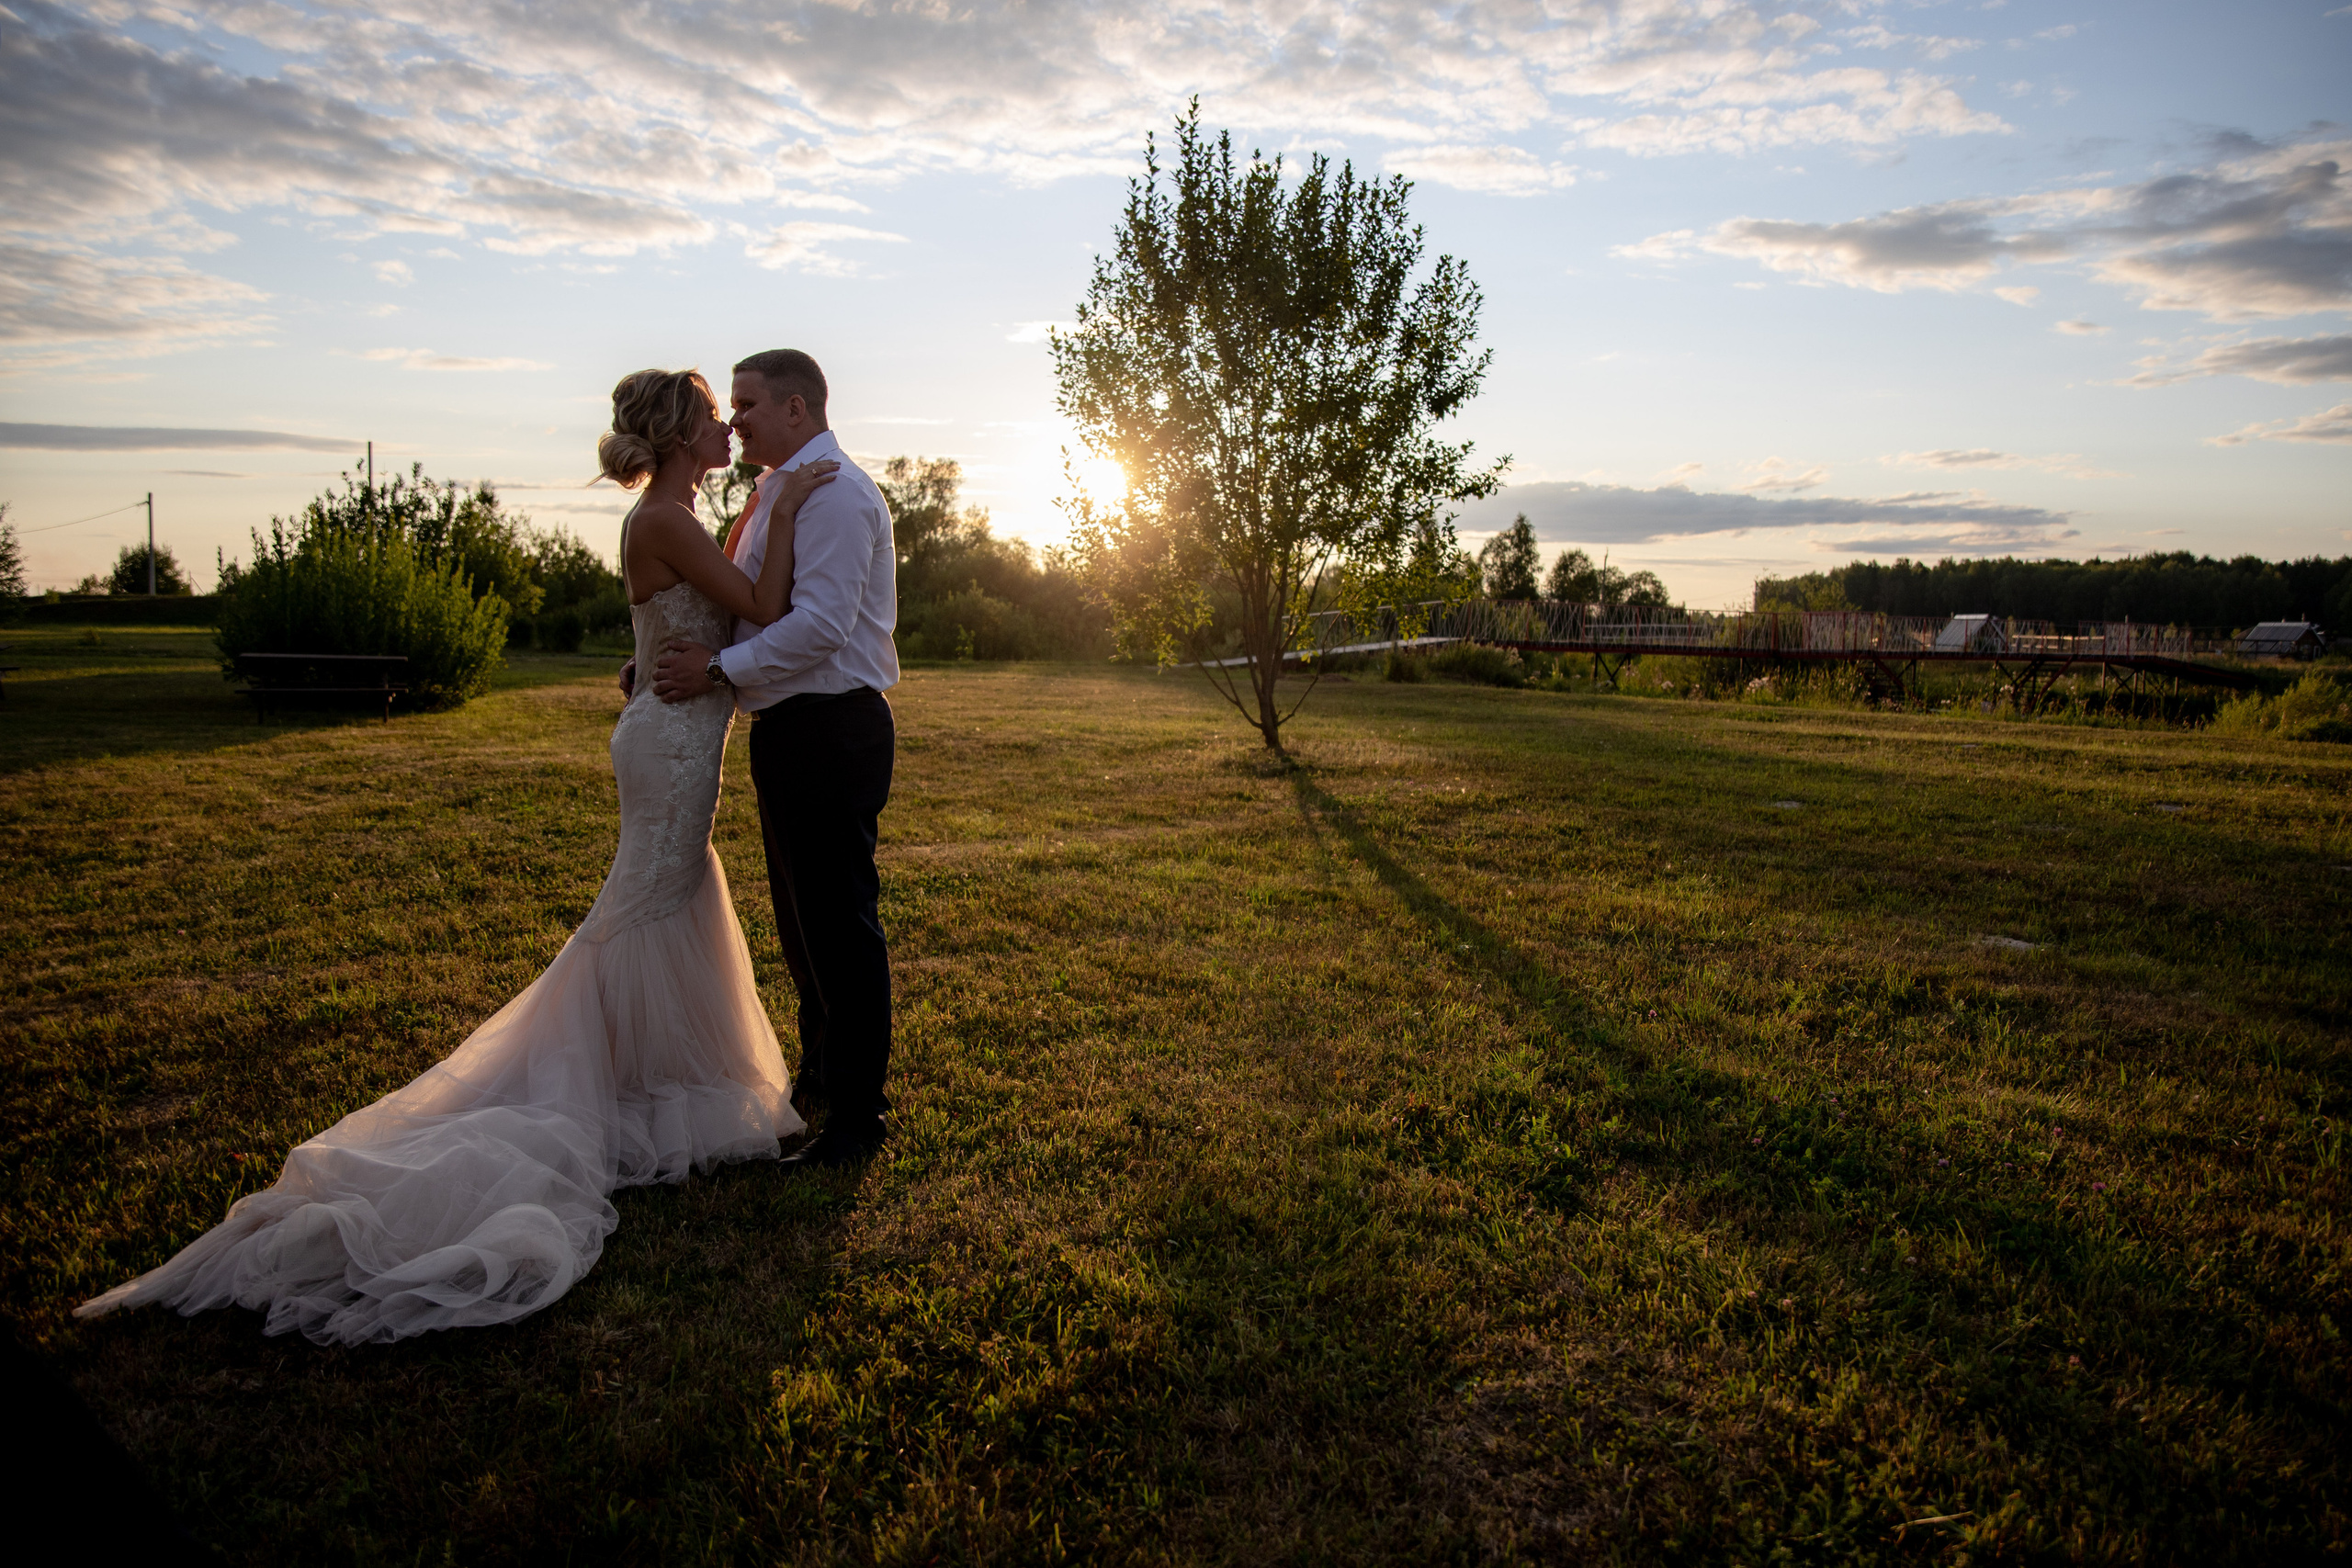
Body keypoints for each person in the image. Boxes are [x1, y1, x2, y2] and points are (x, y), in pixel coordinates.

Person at [76, 368, 838, 1347]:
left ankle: (653, 1093)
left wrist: (673, 630)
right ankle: (595, 1088)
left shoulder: (680, 513)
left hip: (678, 735)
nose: (727, 426)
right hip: (669, 743)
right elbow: (764, 610)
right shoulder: (667, 516)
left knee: (668, 897)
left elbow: (687, 622)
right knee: (642, 906)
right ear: (680, 432)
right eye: (711, 413)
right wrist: (789, 504)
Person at [639, 349, 900, 1168]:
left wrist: (715, 671)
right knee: (802, 923)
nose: (735, 419)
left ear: (798, 409)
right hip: (790, 731)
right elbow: (750, 609)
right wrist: (663, 653)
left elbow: (819, 627)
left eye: (747, 403)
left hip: (832, 728)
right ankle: (822, 1075)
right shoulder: (774, 493)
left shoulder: (837, 495)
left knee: (839, 925)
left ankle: (859, 1120)